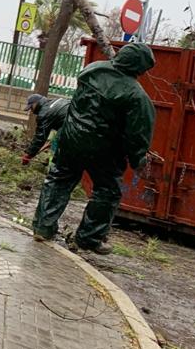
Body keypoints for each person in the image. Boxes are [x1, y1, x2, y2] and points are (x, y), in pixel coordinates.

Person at [31, 42, 156, 253]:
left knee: (58, 179)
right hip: (103, 149)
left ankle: (43, 227)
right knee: (107, 192)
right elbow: (138, 134)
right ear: (140, 67)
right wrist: (138, 160)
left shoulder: (92, 69)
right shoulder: (137, 96)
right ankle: (88, 239)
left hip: (70, 138)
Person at [21, 93, 70, 165]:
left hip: (70, 128)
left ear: (36, 103)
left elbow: (40, 137)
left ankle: (54, 168)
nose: (31, 111)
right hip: (82, 121)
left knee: (57, 150)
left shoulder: (44, 113)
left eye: (31, 107)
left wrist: (29, 155)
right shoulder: (54, 101)